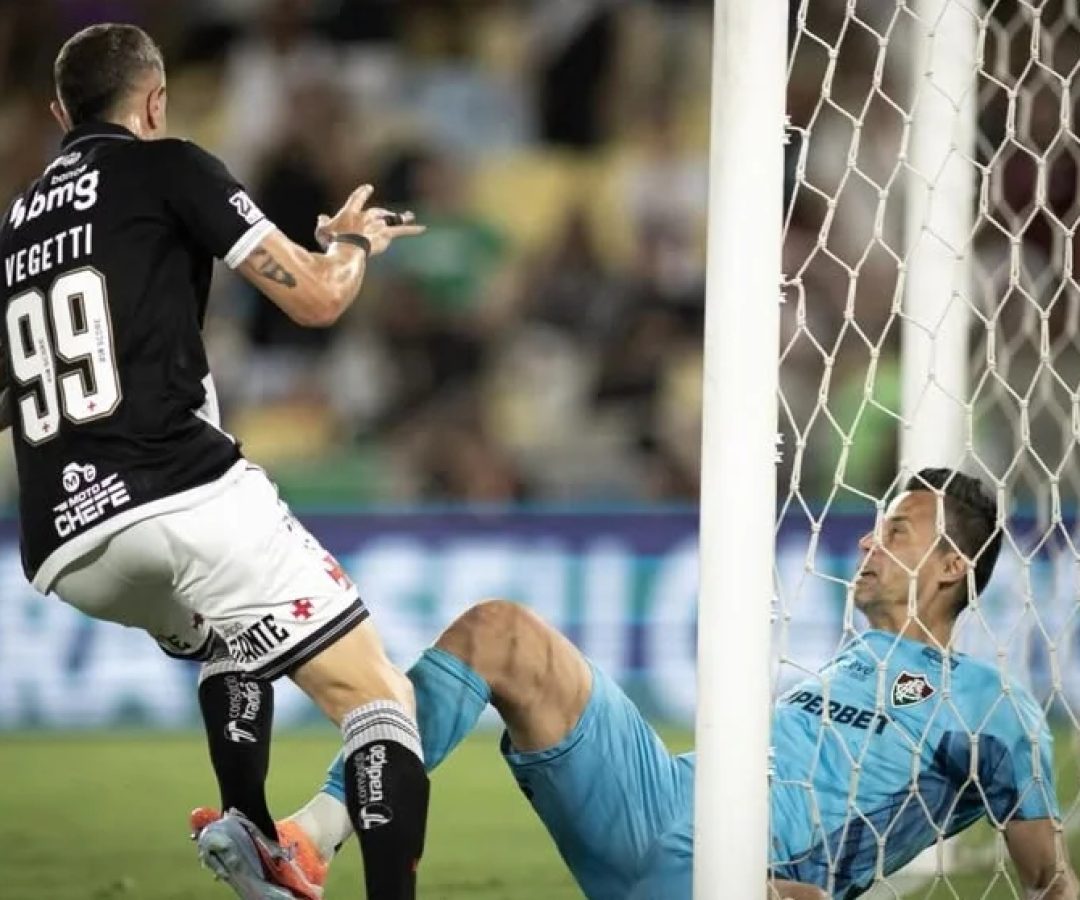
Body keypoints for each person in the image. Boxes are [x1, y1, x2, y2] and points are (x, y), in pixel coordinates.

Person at [194, 468, 1075, 898]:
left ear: (955, 566)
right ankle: (309, 837)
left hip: (742, 878)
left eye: (898, 531)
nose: (869, 543)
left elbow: (1047, 882)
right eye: (877, 524)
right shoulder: (845, 658)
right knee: (500, 631)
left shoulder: (995, 710)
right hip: (663, 799)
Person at [0, 23, 430, 900]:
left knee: (226, 630)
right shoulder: (168, 165)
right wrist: (350, 244)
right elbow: (313, 299)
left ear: (58, 113)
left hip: (63, 543)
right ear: (155, 100)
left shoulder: (16, 224)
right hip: (179, 489)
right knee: (380, 699)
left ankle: (251, 830)